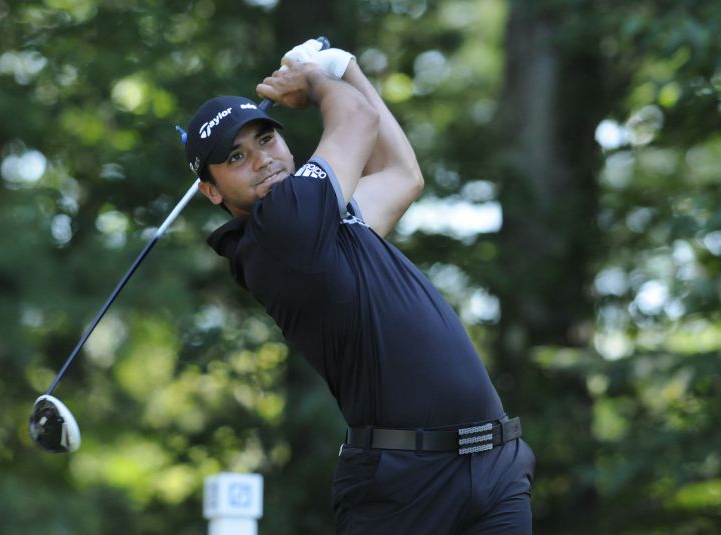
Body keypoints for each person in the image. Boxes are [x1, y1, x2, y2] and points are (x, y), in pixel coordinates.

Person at [180, 40, 535, 534]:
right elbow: (358, 123)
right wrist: (318, 81)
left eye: (266, 140)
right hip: (403, 486)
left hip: (494, 466)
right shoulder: (278, 232)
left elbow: (400, 174)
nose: (262, 160)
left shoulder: (323, 218)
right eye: (236, 156)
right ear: (212, 190)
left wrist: (346, 68)